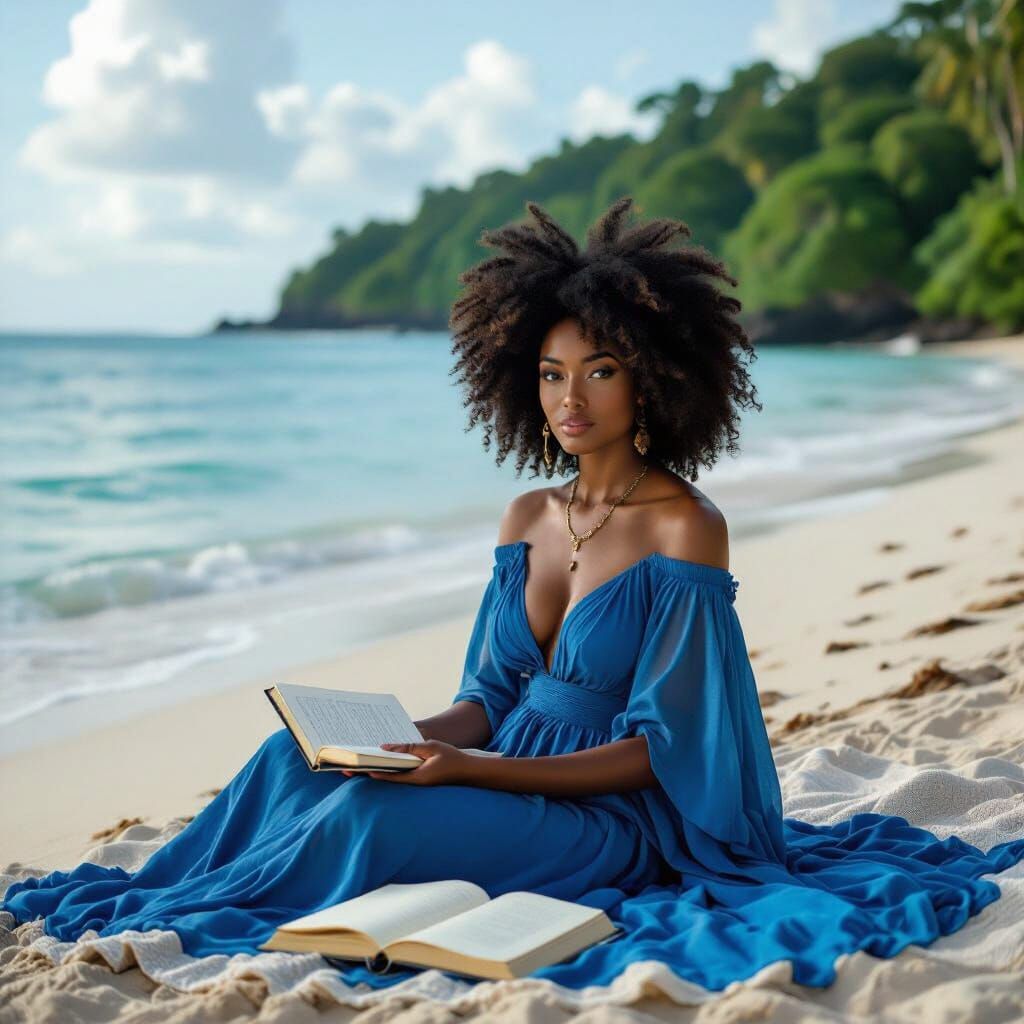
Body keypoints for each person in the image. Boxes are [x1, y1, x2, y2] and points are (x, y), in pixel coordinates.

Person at [3, 198, 1022, 995]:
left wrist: (469, 771)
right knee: (292, 758)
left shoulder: (684, 528)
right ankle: (171, 894)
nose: (568, 401)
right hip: (496, 760)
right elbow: (487, 693)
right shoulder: (526, 513)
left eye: (599, 371)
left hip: (615, 809)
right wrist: (398, 736)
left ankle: (230, 901)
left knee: (372, 820)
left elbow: (664, 753)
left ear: (655, 381)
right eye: (547, 374)